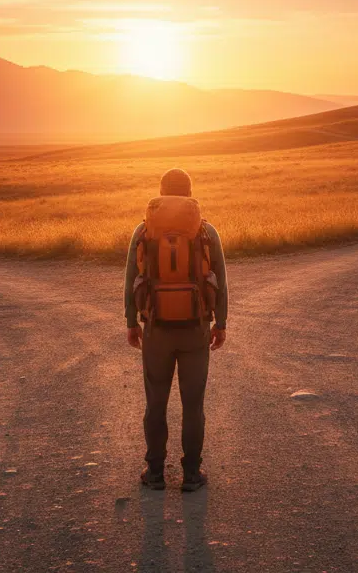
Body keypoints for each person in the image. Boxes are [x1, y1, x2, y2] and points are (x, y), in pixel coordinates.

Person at [124, 168, 228, 492]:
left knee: (156, 401)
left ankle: (154, 472)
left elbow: (131, 280)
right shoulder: (206, 231)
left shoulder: (143, 230)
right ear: (189, 192)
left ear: (162, 191)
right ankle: (192, 474)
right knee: (193, 404)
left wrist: (131, 321)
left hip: (155, 330)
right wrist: (220, 323)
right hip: (196, 329)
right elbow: (220, 282)